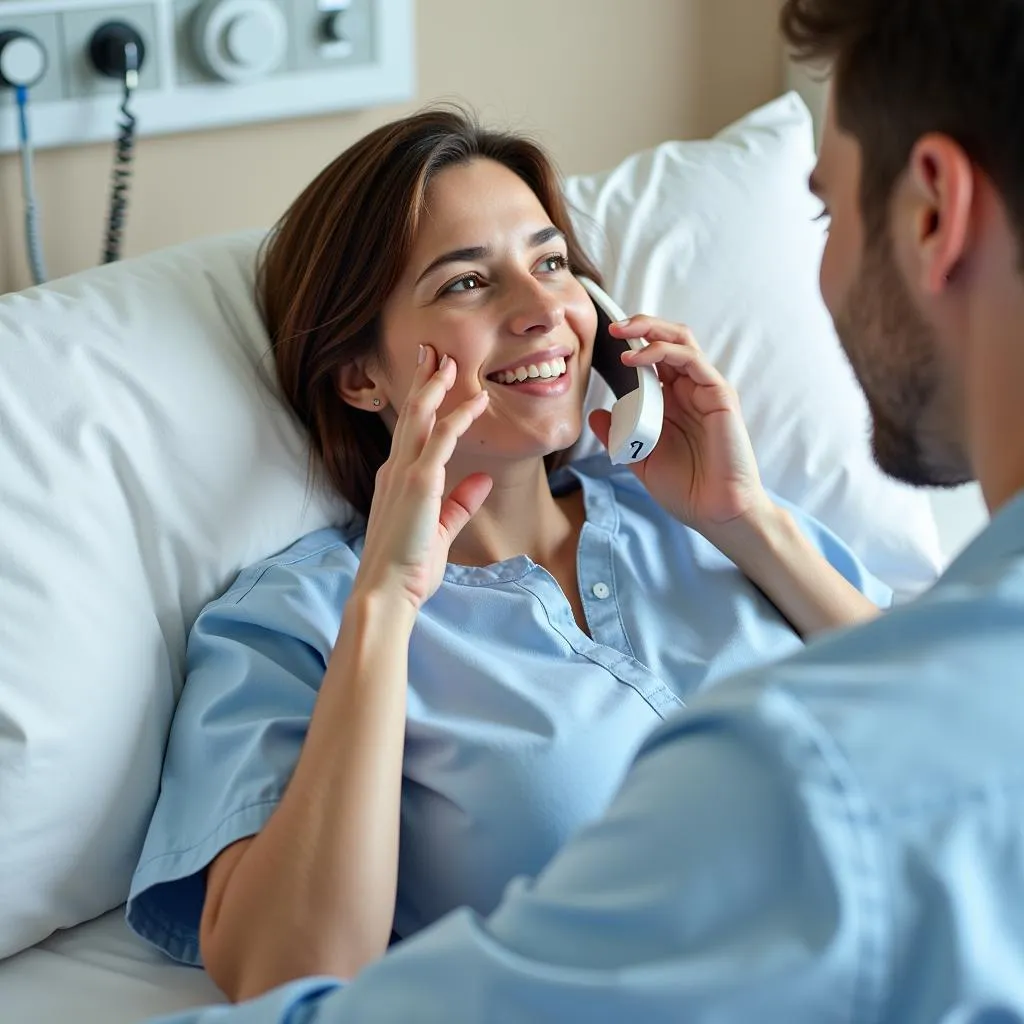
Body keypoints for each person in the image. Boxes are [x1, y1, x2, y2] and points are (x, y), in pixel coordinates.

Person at [143, 0, 1024, 1022]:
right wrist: (385, 603)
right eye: (467, 281)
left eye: (552, 261)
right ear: (358, 377)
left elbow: (955, 728)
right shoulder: (290, 621)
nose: (539, 308)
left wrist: (746, 519)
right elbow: (283, 978)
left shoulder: (702, 522)